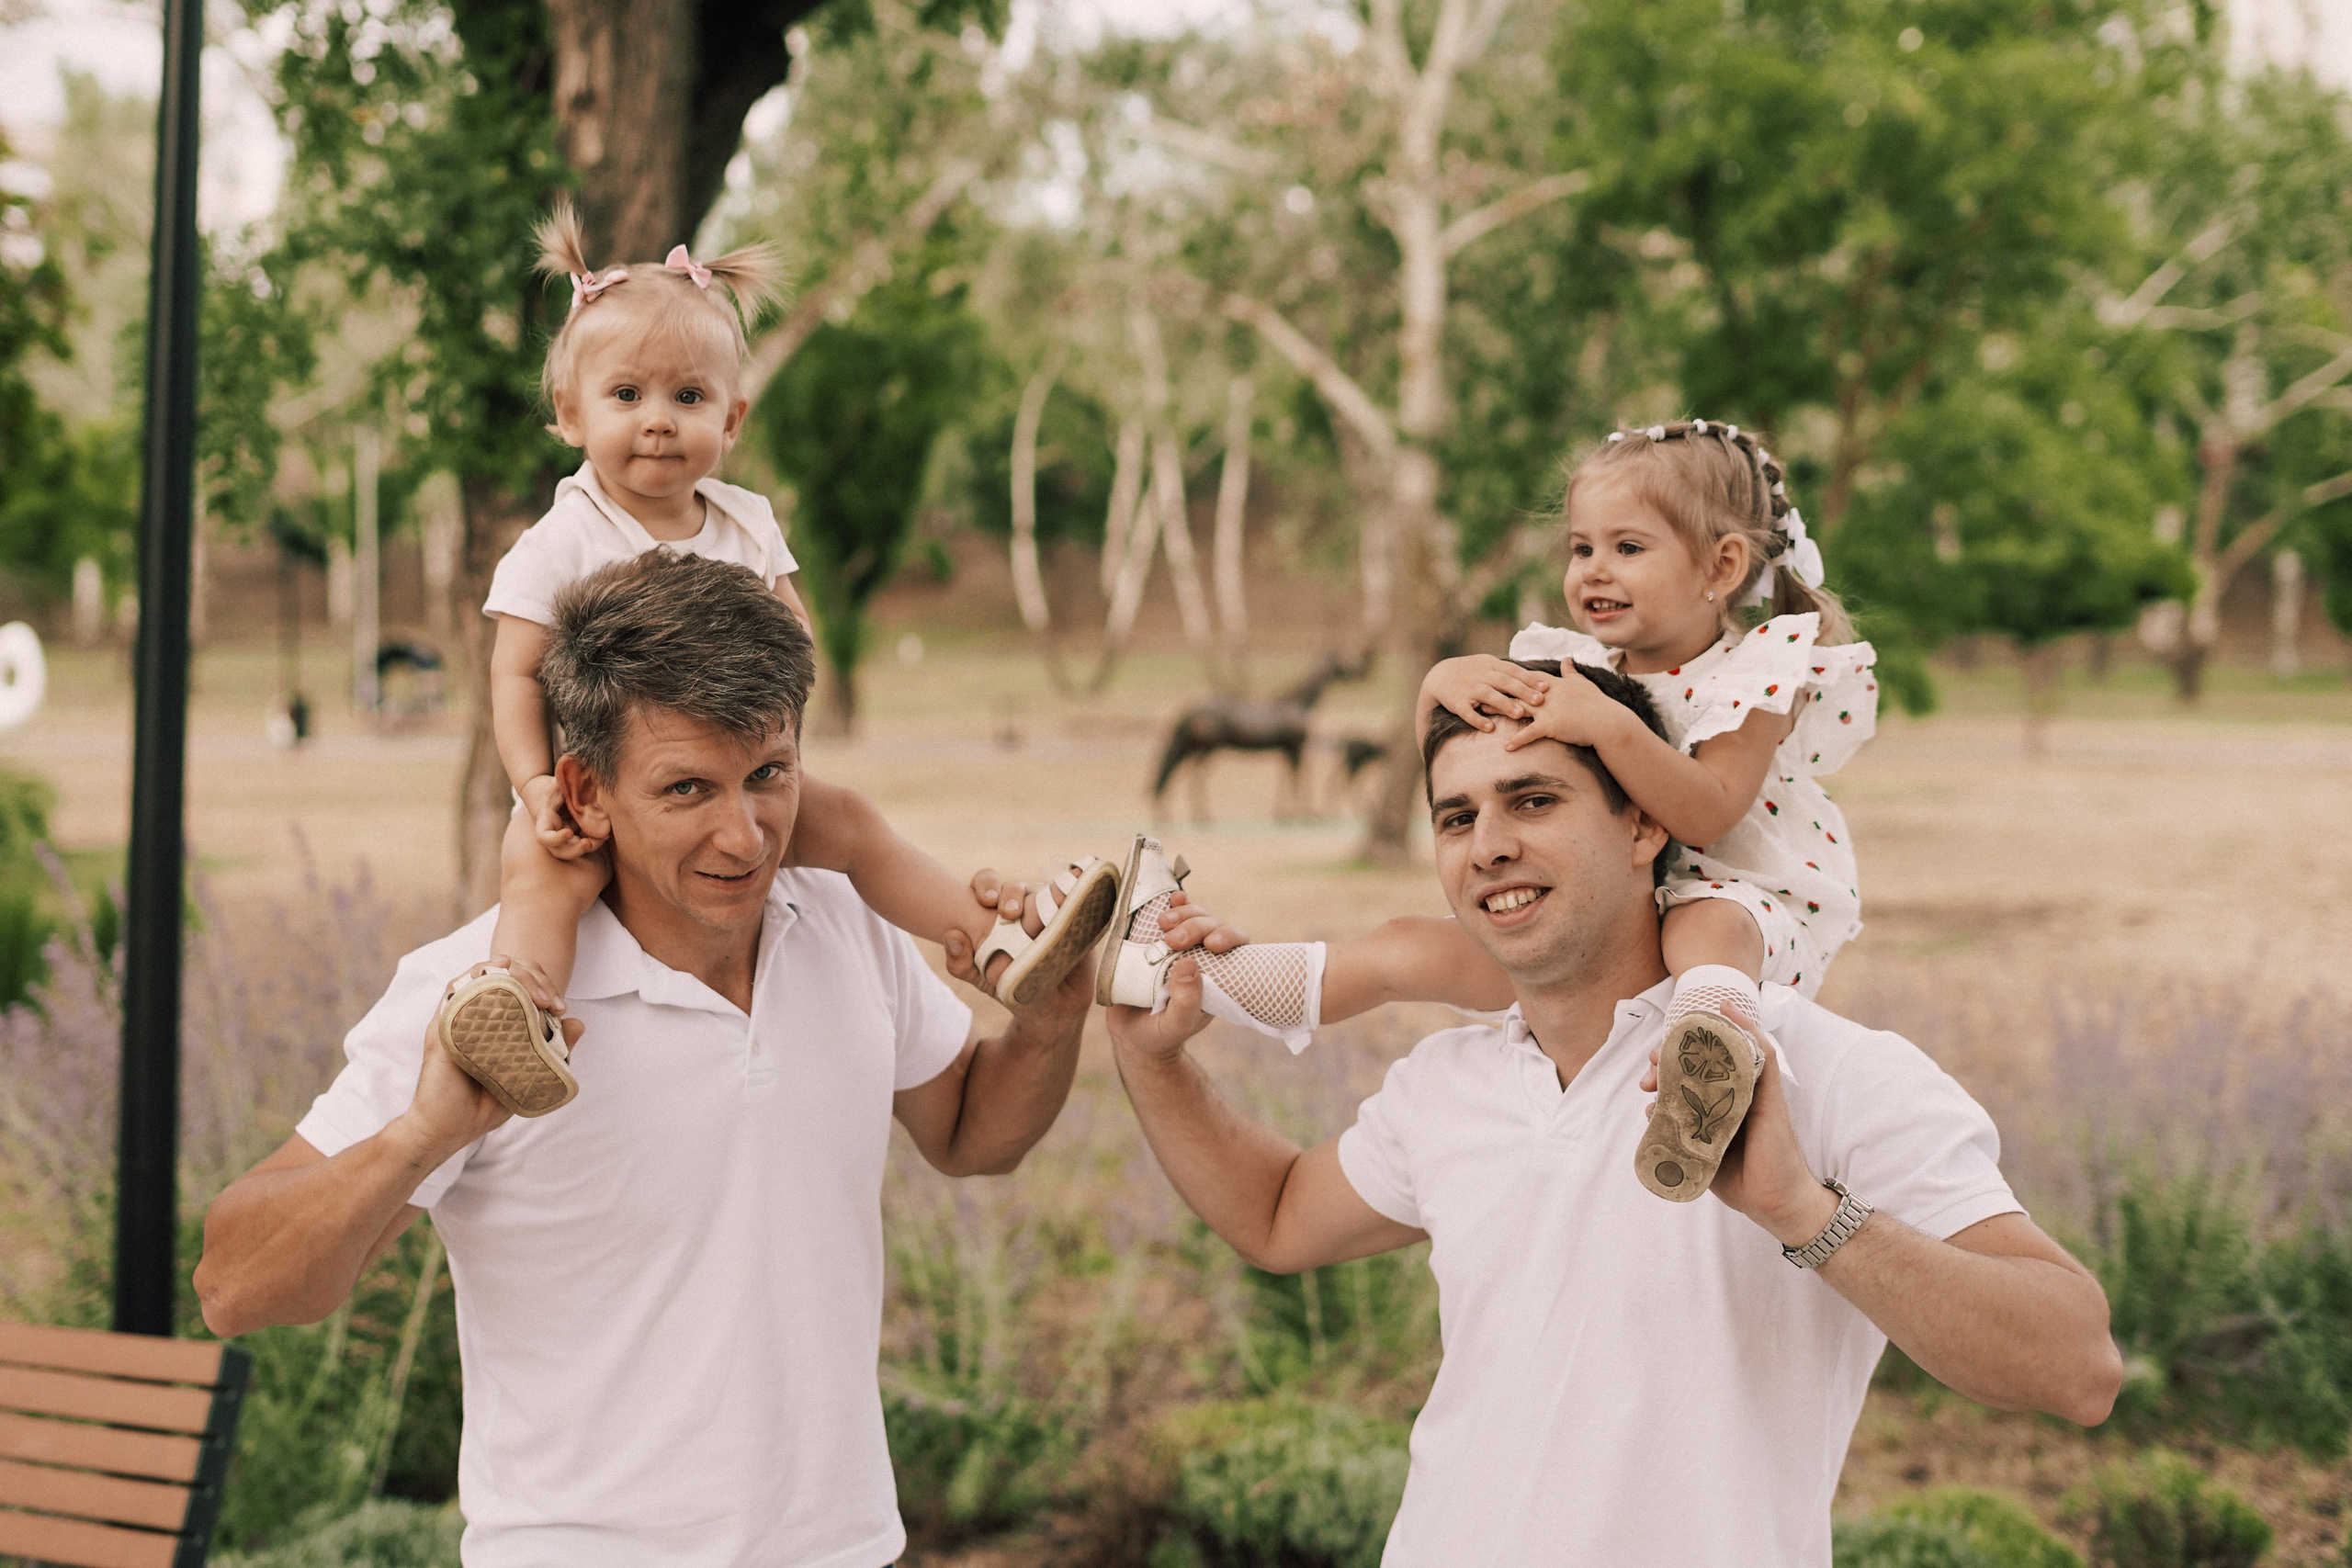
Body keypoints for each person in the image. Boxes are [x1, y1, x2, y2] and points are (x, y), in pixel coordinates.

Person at [195, 552, 1096, 1568]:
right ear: (582, 791)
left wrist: (1049, 1027)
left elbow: (973, 1135)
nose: (745, 833)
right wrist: (423, 1134)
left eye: (769, 775)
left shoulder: (846, 922)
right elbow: (234, 1286)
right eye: (686, 789)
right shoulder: (481, 993)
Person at [1105, 670, 2121, 1567]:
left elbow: (2075, 1365)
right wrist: (1151, 1060)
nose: (1489, 847)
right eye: (1455, 819)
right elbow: (1279, 1215)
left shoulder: (1826, 1071)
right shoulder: (1444, 1081)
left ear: (1643, 826)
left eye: (1532, 800)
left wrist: (1802, 1213)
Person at [447, 200, 1115, 1118]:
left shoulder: (744, 522)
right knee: (539, 871)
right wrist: (534, 787)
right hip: (601, 788)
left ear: (732, 419)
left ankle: (994, 940)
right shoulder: (560, 541)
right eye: (626, 396)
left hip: (723, 788)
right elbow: (513, 672)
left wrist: (768, 761)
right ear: (568, 413)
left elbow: (793, 642)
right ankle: (520, 1005)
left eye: (688, 398)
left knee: (850, 824)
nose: (657, 422)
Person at [1097, 420, 1873, 1201]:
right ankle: (1186, 973)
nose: (1594, 570)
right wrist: (1438, 683)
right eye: (1581, 548)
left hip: (1730, 899)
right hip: (1592, 917)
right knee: (1403, 948)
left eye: (1627, 548)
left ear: (1723, 563)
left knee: (1708, 926)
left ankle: (1707, 1060)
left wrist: (1609, 725)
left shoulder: (1755, 672)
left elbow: (1706, 814)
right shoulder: (1572, 662)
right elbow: (1463, 766)